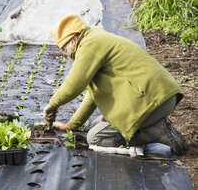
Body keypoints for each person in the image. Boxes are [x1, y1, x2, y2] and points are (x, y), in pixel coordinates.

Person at [43, 13, 186, 155]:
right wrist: (71, 126)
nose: (67, 54)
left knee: (95, 138)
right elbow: (94, 95)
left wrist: (52, 105)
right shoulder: (95, 39)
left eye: (64, 48)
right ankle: (153, 125)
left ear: (73, 39)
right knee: (96, 125)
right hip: (159, 98)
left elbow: (74, 84)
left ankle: (155, 131)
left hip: (152, 101)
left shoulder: (89, 45)